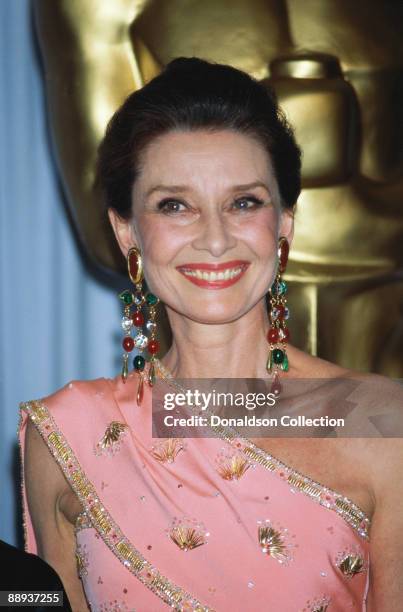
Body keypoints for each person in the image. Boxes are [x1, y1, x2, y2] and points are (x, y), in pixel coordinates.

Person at [19, 57, 403, 612]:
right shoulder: (67, 435)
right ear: (126, 230)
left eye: (243, 203)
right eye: (175, 206)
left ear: (285, 223)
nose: (216, 239)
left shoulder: (382, 423)